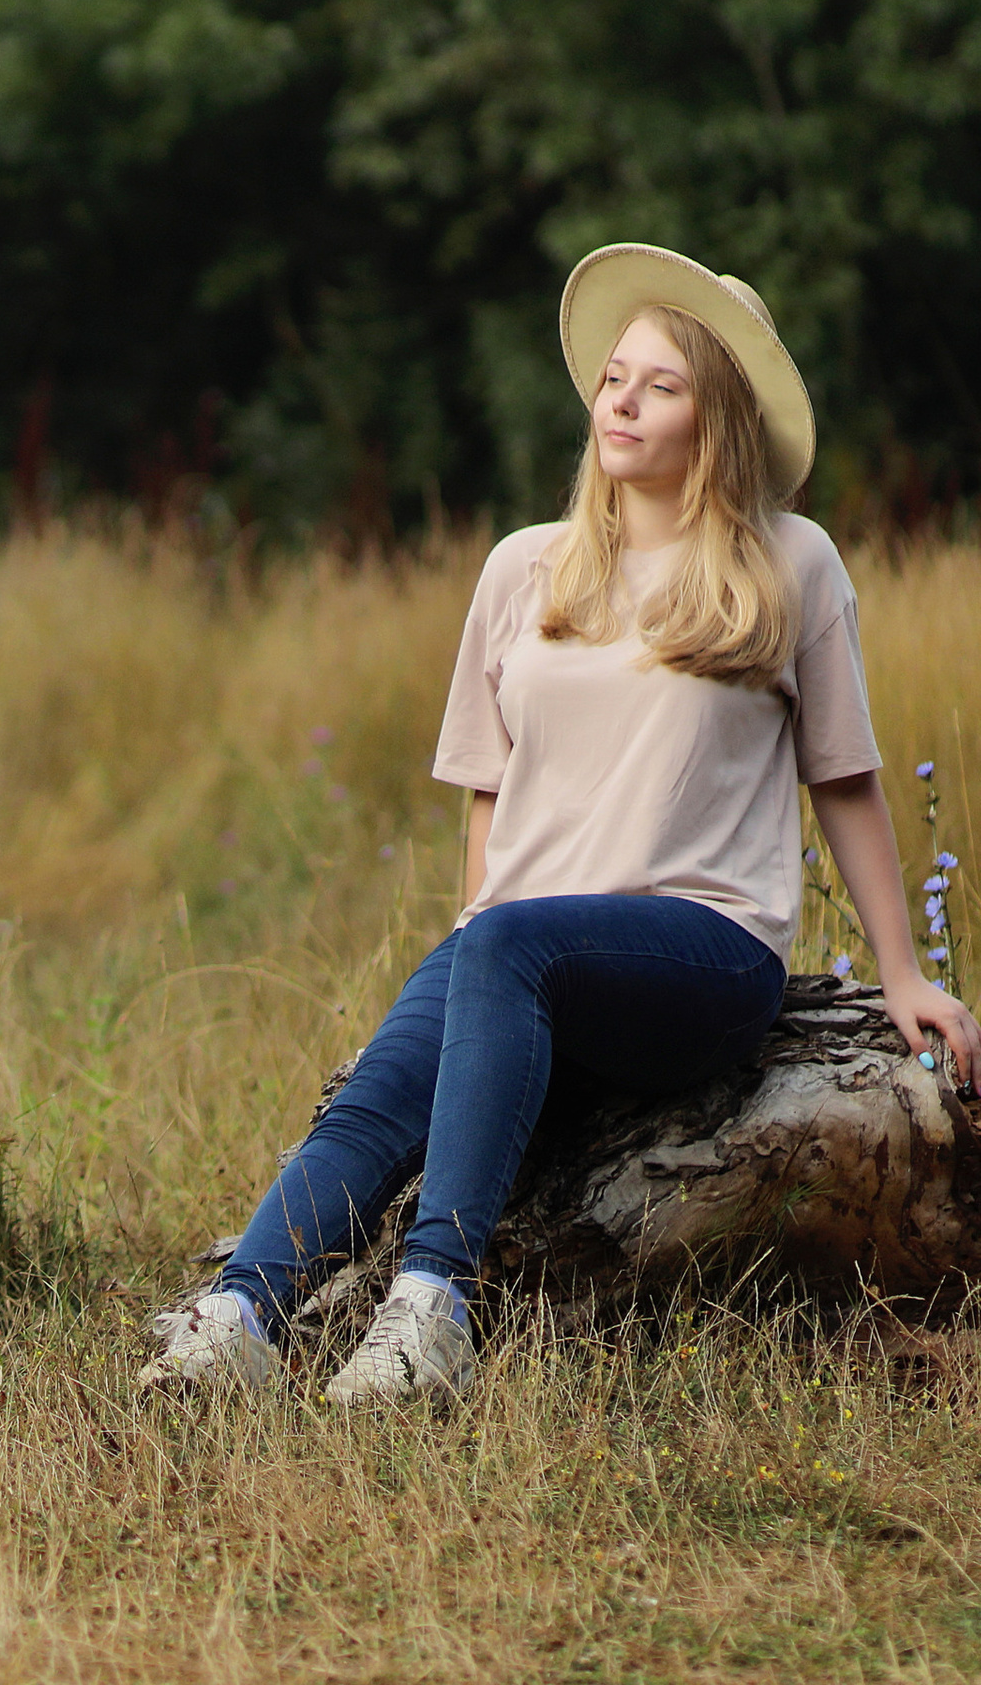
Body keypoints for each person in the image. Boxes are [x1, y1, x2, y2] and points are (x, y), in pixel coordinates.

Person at [143, 244, 981, 1406]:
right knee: (382, 1097)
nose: (622, 401)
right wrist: (475, 942)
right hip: (522, 947)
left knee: (500, 946)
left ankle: (431, 1311)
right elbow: (487, 789)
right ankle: (237, 1316)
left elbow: (844, 777)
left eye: (662, 384)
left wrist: (902, 972)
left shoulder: (791, 561)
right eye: (613, 378)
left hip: (702, 951)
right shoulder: (523, 567)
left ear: (719, 417)